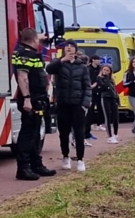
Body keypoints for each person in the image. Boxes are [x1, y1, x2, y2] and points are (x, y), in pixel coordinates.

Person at [12, 28, 56, 181]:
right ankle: (23, 168)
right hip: (32, 99)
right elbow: (22, 77)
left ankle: (36, 164)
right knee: (28, 134)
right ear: (34, 40)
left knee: (36, 134)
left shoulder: (27, 51)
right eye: (38, 39)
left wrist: (42, 37)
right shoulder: (25, 54)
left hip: (38, 98)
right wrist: (27, 98)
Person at [46, 41, 91, 172]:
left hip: (78, 104)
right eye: (67, 47)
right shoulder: (59, 64)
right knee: (64, 133)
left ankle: (80, 159)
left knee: (79, 133)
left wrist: (85, 104)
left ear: (76, 50)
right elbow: (49, 69)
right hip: (63, 103)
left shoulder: (82, 67)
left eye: (71, 47)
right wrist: (62, 60)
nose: (69, 49)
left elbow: (87, 87)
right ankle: (65, 156)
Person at [98, 64, 120, 143]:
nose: (105, 72)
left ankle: (115, 134)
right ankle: (110, 136)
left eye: (107, 70)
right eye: (104, 70)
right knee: (108, 117)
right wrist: (106, 77)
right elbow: (105, 86)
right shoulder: (100, 78)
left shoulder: (112, 80)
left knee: (116, 116)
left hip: (113, 98)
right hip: (105, 98)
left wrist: (117, 99)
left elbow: (114, 90)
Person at [85, 55, 104, 139]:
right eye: (97, 59)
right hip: (91, 90)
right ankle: (91, 124)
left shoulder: (100, 68)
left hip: (99, 90)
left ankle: (99, 124)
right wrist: (91, 85)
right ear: (93, 60)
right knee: (91, 108)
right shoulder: (88, 68)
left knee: (100, 107)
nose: (99, 61)